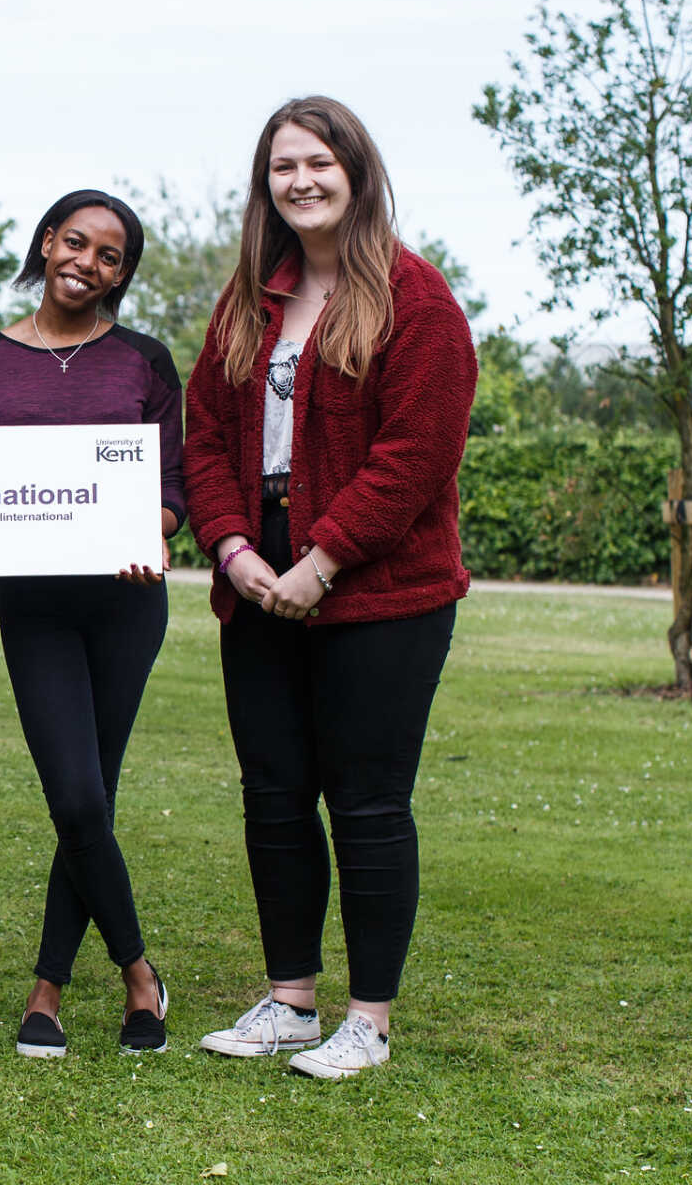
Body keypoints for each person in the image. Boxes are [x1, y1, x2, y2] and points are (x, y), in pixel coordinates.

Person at [182, 97, 476, 1079]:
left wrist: (324, 560)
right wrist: (232, 548)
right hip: (258, 572)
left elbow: (415, 454)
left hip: (379, 586)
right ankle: (291, 1001)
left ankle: (369, 1020)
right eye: (283, 167)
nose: (301, 181)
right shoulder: (245, 303)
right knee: (274, 794)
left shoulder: (414, 298)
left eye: (318, 162)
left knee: (367, 802)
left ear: (356, 170)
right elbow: (206, 437)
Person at [0, 190, 185, 1058]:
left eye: (109, 256)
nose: (87, 263)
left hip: (126, 603)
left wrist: (150, 530)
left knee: (92, 796)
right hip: (36, 605)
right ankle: (138, 976)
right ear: (47, 242)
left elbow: (173, 490)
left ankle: (47, 990)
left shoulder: (144, 360)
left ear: (122, 275)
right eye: (75, 242)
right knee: (77, 797)